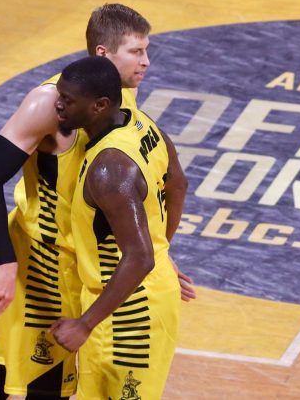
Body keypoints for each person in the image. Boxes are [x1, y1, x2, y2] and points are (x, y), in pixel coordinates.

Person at [0, 3, 194, 399]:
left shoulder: (122, 99)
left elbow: (169, 183)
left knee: (66, 380)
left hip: (89, 267)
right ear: (104, 53)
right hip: (45, 261)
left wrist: (157, 249)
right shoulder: (50, 102)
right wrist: (5, 263)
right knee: (20, 369)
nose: (146, 62)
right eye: (136, 52)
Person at [50, 56, 182, 400]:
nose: (58, 104)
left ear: (99, 105)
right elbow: (178, 183)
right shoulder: (140, 123)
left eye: (68, 100)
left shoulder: (109, 169)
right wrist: (162, 249)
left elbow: (139, 257)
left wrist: (84, 324)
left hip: (129, 314)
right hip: (129, 297)